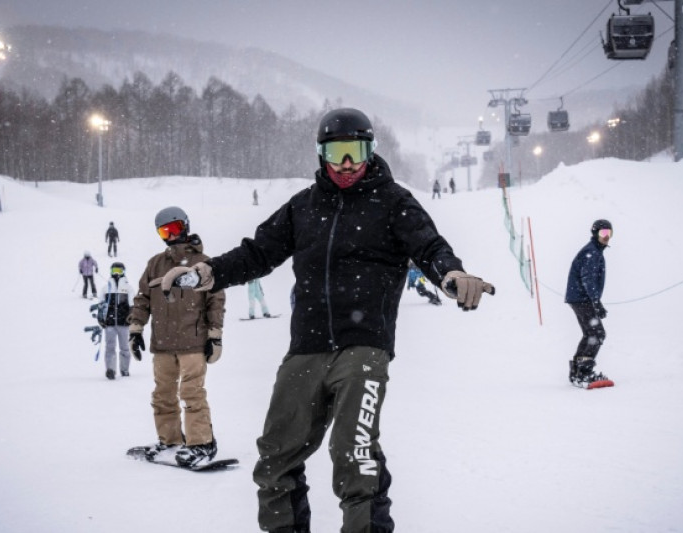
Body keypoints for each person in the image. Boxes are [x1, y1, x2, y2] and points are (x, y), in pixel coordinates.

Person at [169, 108, 494, 533]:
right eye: (338, 152)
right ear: (322, 154)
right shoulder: (304, 206)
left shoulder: (393, 202)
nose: (347, 164)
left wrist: (451, 272)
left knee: (354, 452)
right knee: (275, 456)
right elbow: (256, 253)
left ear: (371, 151)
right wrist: (206, 273)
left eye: (356, 151)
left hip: (364, 344)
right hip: (306, 345)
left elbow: (430, 246)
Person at [127, 206, 226, 468]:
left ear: (186, 226)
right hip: (162, 344)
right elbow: (142, 298)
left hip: (193, 342)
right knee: (163, 396)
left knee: (192, 393)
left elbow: (216, 300)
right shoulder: (155, 264)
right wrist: (136, 328)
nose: (171, 236)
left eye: (175, 229)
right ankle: (170, 440)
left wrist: (214, 335)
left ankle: (200, 442)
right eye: (165, 231)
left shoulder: (203, 263)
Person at [564, 219, 614, 388]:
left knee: (590, 334)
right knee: (597, 334)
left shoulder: (594, 251)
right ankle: (584, 374)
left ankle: (577, 371)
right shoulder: (591, 253)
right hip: (581, 298)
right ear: (595, 233)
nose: (606, 237)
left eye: (609, 233)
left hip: (579, 298)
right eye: (603, 233)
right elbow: (588, 279)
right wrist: (596, 302)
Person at [98, 261, 133, 380]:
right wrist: (101, 318)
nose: (117, 273)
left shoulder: (128, 288)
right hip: (110, 323)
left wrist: (131, 316)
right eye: (114, 271)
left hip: (123, 323)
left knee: (124, 347)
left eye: (119, 271)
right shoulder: (106, 288)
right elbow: (101, 305)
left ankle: (124, 369)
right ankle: (111, 369)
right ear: (111, 272)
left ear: (123, 272)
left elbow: (132, 305)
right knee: (110, 347)